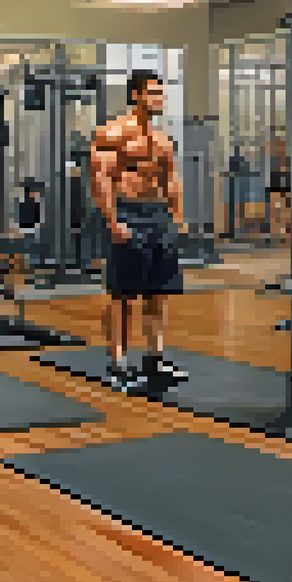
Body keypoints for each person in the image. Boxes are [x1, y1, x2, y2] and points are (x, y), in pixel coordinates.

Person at [91, 70, 188, 391]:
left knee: (158, 290)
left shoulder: (162, 141)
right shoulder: (112, 133)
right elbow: (101, 179)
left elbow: (171, 181)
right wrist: (112, 220)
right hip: (126, 212)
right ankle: (118, 361)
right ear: (135, 95)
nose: (159, 99)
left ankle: (155, 358)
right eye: (153, 93)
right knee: (122, 293)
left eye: (161, 93)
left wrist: (177, 216)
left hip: (156, 215)